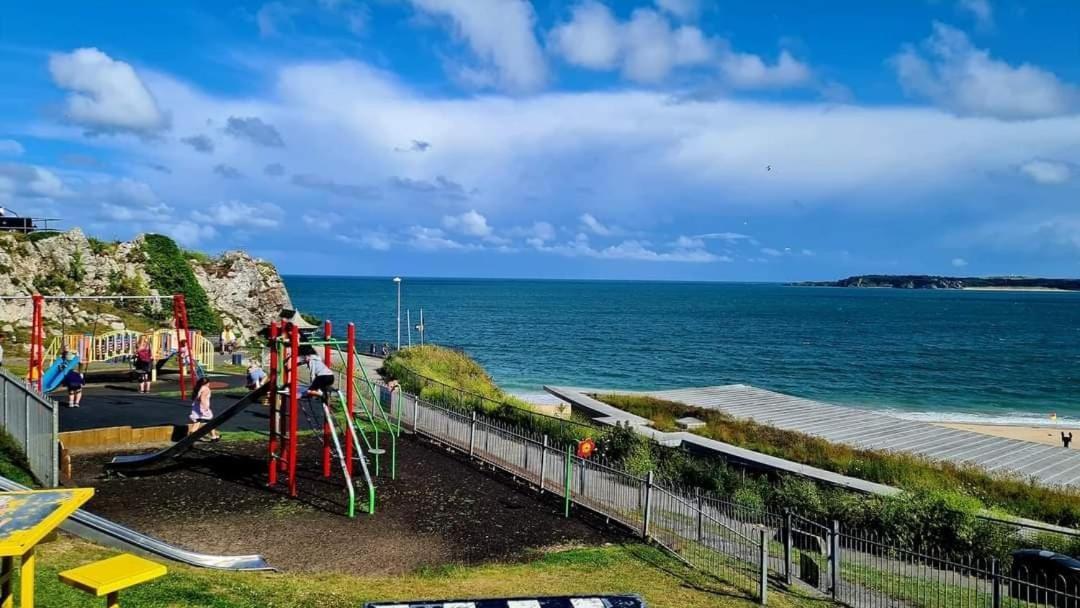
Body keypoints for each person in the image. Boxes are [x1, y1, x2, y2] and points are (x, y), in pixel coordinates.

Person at [187, 377, 220, 441]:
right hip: (202, 408)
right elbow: (202, 399)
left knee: (197, 422)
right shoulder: (206, 389)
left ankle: (214, 436)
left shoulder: (198, 388)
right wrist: (205, 408)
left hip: (196, 407)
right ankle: (214, 436)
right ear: (207, 383)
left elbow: (197, 398)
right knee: (209, 422)